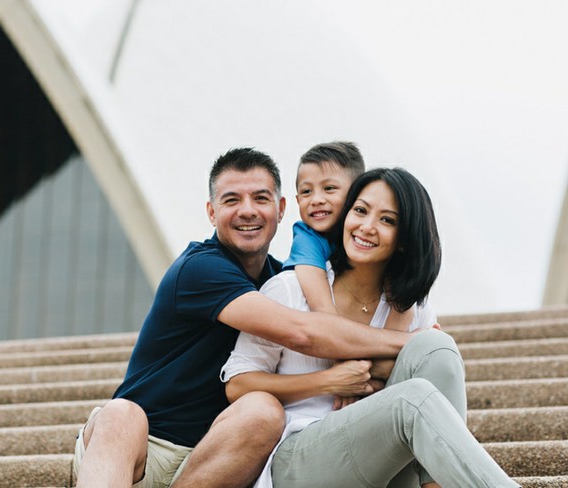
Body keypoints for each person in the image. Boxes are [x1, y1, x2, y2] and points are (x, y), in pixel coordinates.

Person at [72, 149, 421, 488]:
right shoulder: (199, 268)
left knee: (264, 411)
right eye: (231, 200)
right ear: (211, 212)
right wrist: (413, 343)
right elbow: (302, 332)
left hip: (219, 455)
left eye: (260, 198)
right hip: (145, 450)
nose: (247, 211)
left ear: (281, 208)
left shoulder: (282, 281)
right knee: (121, 414)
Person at [222, 167, 519, 487]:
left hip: (379, 461)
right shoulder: (290, 289)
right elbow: (238, 385)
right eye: (360, 211)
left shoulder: (412, 309)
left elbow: (431, 365)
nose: (367, 227)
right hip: (299, 458)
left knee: (438, 346)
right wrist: (328, 381)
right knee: (412, 397)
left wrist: (373, 368)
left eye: (387, 220)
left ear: (404, 240)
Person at [283, 141, 365, 314]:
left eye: (329, 188)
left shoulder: (366, 233)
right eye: (306, 191)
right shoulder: (307, 238)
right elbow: (323, 310)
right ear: (297, 200)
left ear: (357, 194)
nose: (316, 200)